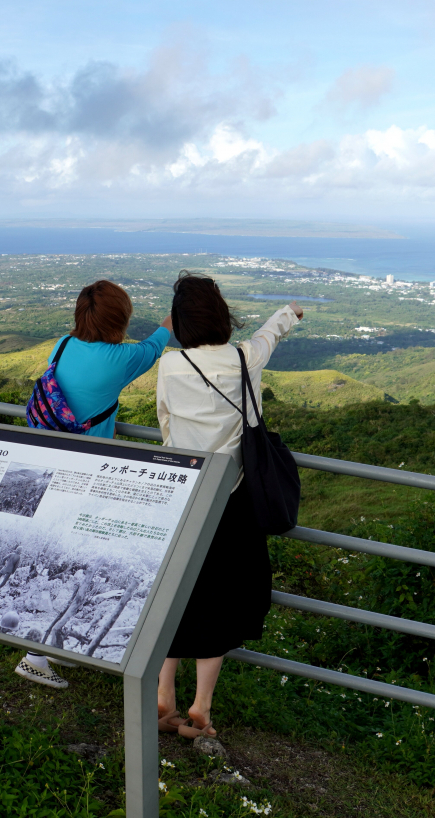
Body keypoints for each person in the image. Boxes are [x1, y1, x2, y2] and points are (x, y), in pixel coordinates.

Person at [154, 271, 303, 739]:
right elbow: (267, 339)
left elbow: (163, 423)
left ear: (180, 324)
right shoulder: (243, 360)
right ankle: (201, 706)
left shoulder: (171, 366)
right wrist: (288, 313)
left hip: (185, 495)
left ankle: (162, 698)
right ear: (223, 317)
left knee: (174, 594)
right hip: (234, 500)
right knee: (222, 597)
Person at [14, 278, 174, 690]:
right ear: (119, 320)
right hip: (87, 473)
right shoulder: (120, 360)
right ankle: (38, 654)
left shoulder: (62, 346)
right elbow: (156, 346)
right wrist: (172, 320)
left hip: (51, 465)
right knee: (75, 559)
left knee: (63, 556)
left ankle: (50, 645)